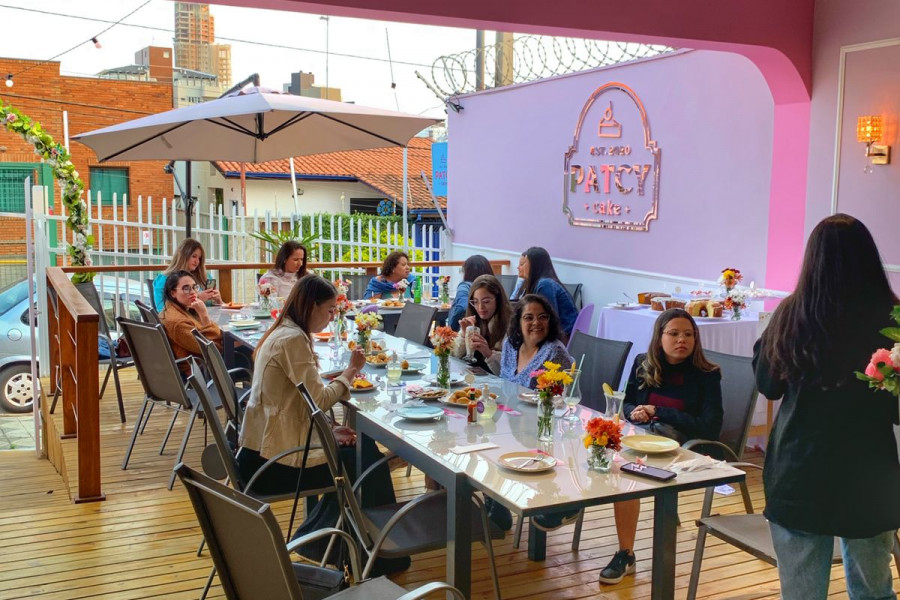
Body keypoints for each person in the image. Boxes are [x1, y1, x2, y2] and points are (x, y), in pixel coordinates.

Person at [753, 214, 900, 600]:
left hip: (799, 471)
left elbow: (768, 386)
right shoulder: (893, 320)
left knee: (802, 593)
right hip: (869, 474)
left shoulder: (791, 315)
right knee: (874, 591)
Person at [238, 274, 400, 564]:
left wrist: (327, 431)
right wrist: (351, 371)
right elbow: (321, 400)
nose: (331, 317)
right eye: (329, 310)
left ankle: (330, 540)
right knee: (367, 462)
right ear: (312, 307)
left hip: (262, 448)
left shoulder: (284, 331)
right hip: (274, 463)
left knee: (359, 453)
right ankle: (376, 556)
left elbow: (300, 404)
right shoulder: (292, 340)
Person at [598, 307, 722, 584]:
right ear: (659, 337)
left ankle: (625, 553)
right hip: (642, 436)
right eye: (674, 333)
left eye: (689, 334)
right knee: (598, 446)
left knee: (625, 472)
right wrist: (635, 412)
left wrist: (658, 411)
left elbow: (710, 426)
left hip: (683, 447)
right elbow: (627, 401)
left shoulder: (706, 374)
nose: (682, 340)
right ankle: (570, 507)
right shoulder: (644, 363)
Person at [499, 294, 573, 387]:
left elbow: (564, 395)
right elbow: (502, 381)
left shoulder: (555, 352)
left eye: (542, 317)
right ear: (518, 322)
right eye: (529, 318)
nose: (536, 322)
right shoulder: (509, 344)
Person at [158, 270, 223, 375]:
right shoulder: (177, 323)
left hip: (200, 361)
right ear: (173, 293)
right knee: (248, 352)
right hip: (200, 370)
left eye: (194, 287)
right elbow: (213, 349)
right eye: (186, 288)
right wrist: (204, 315)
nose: (193, 292)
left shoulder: (175, 309)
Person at [511, 247, 577, 338]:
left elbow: (548, 319)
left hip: (562, 337)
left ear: (534, 265)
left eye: (524, 263)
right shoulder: (539, 282)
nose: (519, 267)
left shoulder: (545, 284)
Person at [453, 274, 511, 375]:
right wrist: (463, 334)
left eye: (486, 301)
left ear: (498, 300)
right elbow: (452, 355)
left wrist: (488, 353)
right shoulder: (473, 320)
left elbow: (512, 369)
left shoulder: (511, 325)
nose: (480, 307)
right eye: (475, 302)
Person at [153, 238, 221, 310]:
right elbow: (162, 311)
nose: (197, 261)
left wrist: (219, 301)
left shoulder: (205, 277)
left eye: (199, 258)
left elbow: (218, 309)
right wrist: (196, 299)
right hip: (183, 320)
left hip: (209, 318)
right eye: (194, 256)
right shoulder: (164, 280)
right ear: (183, 256)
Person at [448, 255, 494, 331]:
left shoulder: (465, 286)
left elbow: (462, 307)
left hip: (468, 330)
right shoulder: (493, 286)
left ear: (467, 271)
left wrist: (452, 327)